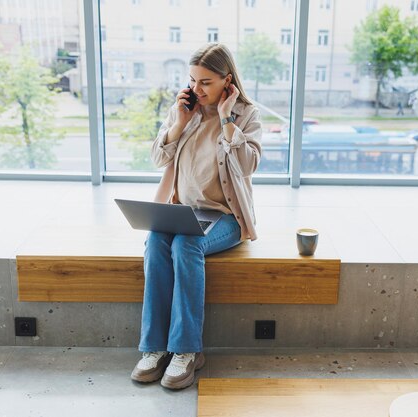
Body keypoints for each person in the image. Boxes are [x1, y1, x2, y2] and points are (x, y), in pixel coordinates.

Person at [130, 43, 262, 390]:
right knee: (157, 240)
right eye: (192, 80)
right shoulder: (185, 110)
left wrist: (226, 119)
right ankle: (155, 348)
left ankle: (187, 351)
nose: (196, 89)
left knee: (186, 244)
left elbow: (249, 165)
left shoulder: (246, 114)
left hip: (225, 218)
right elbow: (158, 158)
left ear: (227, 81)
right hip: (184, 212)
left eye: (205, 82)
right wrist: (178, 123)